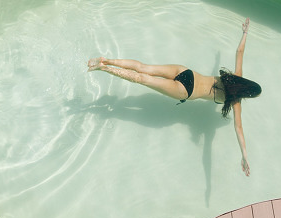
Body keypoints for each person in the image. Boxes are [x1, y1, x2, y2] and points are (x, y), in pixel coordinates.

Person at [88, 18, 261, 175]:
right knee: (142, 79)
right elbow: (238, 129)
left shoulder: (235, 76)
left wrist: (245, 32)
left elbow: (239, 51)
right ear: (247, 94)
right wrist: (244, 155)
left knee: (143, 67)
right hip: (185, 90)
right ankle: (104, 68)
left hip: (186, 72)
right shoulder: (235, 101)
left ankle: (106, 60)